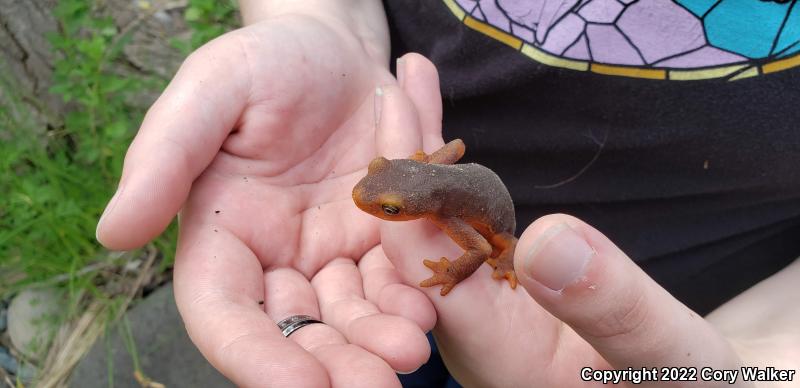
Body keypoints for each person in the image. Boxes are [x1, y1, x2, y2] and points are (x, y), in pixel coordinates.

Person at [96, 0, 800, 386]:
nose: (376, 207)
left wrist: (474, 263)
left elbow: (474, 243)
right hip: (385, 291)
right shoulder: (431, 179)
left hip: (667, 318)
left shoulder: (457, 223)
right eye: (382, 193)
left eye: (389, 209)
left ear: (426, 206)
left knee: (503, 251)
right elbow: (453, 153)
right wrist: (316, 20)